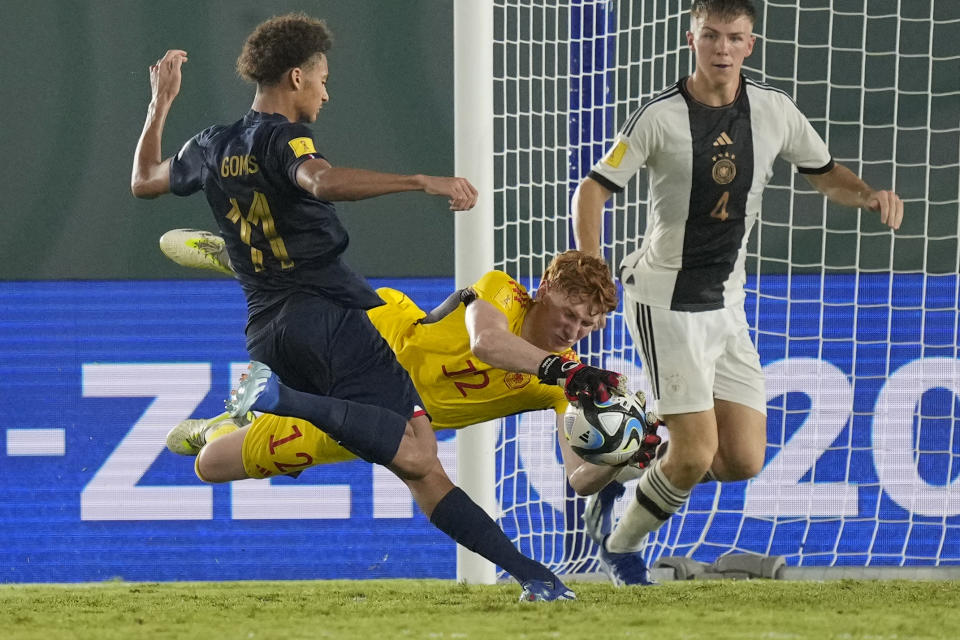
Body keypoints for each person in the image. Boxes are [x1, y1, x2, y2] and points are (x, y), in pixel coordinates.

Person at [130, 13, 625, 601]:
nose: (325, 90)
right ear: (295, 77)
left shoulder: (211, 143)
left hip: (268, 328)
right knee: (421, 458)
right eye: (320, 80)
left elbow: (144, 182)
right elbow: (320, 182)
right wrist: (419, 180)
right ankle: (275, 397)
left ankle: (536, 579)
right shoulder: (286, 137)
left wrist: (160, 103)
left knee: (413, 465)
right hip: (329, 319)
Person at [570, 0, 904, 586]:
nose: (722, 48)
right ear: (691, 39)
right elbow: (591, 192)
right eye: (711, 36)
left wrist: (869, 195)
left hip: (726, 304)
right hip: (664, 301)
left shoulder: (774, 112)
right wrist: (592, 270)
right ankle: (620, 548)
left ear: (750, 45)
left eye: (734, 38)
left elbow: (826, 174)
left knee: (741, 460)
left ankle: (635, 446)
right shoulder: (658, 116)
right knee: (695, 454)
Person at [161, 242, 657, 502]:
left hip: (379, 418)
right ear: (545, 287)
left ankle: (217, 428)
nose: (574, 331)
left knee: (211, 466)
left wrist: (625, 456)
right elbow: (488, 344)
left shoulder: (562, 386)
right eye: (569, 314)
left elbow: (578, 480)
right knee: (300, 302)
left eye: (587, 325)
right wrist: (563, 373)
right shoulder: (503, 292)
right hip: (380, 336)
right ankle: (246, 260)